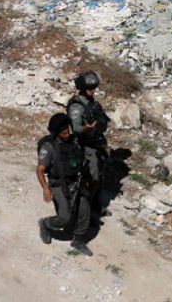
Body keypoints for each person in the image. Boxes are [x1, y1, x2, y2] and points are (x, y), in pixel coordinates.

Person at [37, 113, 92, 256]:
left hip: (75, 182)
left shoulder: (74, 142)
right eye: (63, 133)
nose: (67, 134)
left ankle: (78, 241)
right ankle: (45, 224)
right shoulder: (49, 147)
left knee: (84, 209)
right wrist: (45, 189)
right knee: (64, 217)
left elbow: (81, 160)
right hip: (58, 184)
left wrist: (86, 179)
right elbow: (40, 170)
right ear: (56, 133)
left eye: (68, 130)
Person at [67, 70, 110, 213]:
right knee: (93, 175)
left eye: (93, 88)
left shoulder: (93, 104)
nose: (92, 91)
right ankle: (86, 208)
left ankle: (95, 203)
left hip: (96, 143)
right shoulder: (77, 106)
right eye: (89, 88)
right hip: (83, 145)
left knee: (101, 172)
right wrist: (86, 128)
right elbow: (75, 128)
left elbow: (102, 119)